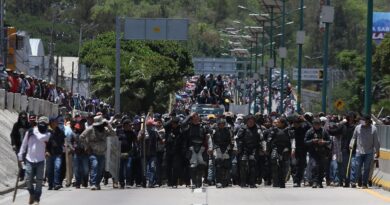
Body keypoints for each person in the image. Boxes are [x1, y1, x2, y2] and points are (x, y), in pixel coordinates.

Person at [18, 116, 51, 205]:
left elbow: (41, 138)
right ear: (38, 124)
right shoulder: (29, 132)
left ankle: (37, 199)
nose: (43, 126)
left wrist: (34, 131)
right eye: (41, 124)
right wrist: (20, 155)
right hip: (29, 159)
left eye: (45, 124)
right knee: (28, 180)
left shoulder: (48, 134)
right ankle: (32, 194)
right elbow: (24, 144)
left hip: (40, 160)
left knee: (39, 181)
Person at [79, 115, 116, 190]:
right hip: (93, 152)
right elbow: (81, 137)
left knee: (100, 169)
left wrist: (108, 125)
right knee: (94, 166)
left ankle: (97, 183)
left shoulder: (105, 130)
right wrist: (87, 146)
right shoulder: (90, 129)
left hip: (102, 153)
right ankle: (93, 183)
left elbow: (113, 134)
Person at [350, 115, 380, 189]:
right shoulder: (358, 127)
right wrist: (351, 145)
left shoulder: (374, 129)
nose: (363, 122)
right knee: (357, 167)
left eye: (364, 121)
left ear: (368, 121)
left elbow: (376, 141)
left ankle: (364, 183)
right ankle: (359, 179)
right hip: (359, 150)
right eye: (362, 120)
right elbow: (354, 137)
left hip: (369, 151)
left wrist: (377, 151)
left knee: (367, 168)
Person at [182, 112, 210, 188]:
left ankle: (199, 180)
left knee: (202, 165)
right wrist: (189, 116)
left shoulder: (203, 126)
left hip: (202, 148)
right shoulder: (188, 126)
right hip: (192, 148)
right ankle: (194, 182)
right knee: (193, 166)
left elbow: (209, 135)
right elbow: (182, 124)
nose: (196, 118)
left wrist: (209, 148)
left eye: (197, 117)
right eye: (194, 117)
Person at [236, 115, 263, 188]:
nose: (251, 122)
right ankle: (243, 182)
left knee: (253, 165)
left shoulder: (258, 128)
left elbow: (261, 139)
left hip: (254, 149)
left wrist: (261, 148)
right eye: (249, 121)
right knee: (243, 164)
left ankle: (252, 183)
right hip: (244, 149)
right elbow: (238, 139)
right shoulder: (242, 128)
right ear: (246, 121)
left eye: (252, 121)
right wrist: (238, 148)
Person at [305, 118, 331, 188]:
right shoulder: (310, 131)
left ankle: (320, 182)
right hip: (313, 152)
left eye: (318, 124)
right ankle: (314, 181)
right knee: (314, 166)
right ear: (313, 124)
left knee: (321, 168)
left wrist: (323, 142)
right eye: (315, 124)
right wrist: (313, 141)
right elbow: (305, 141)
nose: (317, 126)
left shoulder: (324, 131)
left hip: (322, 152)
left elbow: (329, 141)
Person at [268, 117, 293, 188]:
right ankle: (275, 181)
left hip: (285, 149)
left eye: (278, 122)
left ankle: (282, 182)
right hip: (276, 148)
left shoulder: (288, 130)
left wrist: (293, 149)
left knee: (284, 166)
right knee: (274, 162)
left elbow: (292, 139)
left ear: (282, 123)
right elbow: (269, 139)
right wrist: (268, 149)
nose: (276, 123)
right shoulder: (274, 130)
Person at [211, 118, 233, 188]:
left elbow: (231, 140)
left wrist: (230, 148)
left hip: (226, 149)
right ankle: (218, 181)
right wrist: (214, 148)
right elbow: (212, 140)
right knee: (218, 165)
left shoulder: (228, 131)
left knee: (226, 165)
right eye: (220, 124)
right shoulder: (214, 131)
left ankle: (226, 181)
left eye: (223, 124)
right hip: (218, 148)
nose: (221, 125)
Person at [138, 118, 159, 188]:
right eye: (151, 125)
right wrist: (142, 135)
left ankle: (151, 182)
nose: (152, 127)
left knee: (152, 167)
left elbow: (159, 140)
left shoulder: (154, 132)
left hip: (152, 154)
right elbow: (138, 139)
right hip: (144, 154)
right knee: (144, 169)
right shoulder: (142, 132)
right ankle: (144, 181)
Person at [46, 116, 66, 190]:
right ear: (51, 122)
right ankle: (50, 184)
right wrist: (46, 151)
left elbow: (63, 140)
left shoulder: (60, 131)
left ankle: (56, 184)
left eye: (56, 121)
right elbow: (44, 143)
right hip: (49, 153)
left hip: (58, 153)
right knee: (50, 170)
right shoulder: (47, 131)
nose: (56, 123)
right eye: (55, 121)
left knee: (57, 168)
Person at [10, 111, 31, 181]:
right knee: (20, 160)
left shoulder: (29, 125)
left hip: (27, 146)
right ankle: (22, 174)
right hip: (18, 146)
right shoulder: (16, 125)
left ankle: (25, 174)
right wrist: (13, 144)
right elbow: (12, 135)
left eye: (24, 118)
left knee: (26, 161)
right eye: (22, 118)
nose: (23, 120)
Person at [165, 117, 184, 188]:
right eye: (173, 123)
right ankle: (169, 182)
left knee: (176, 167)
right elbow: (165, 125)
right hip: (169, 151)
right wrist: (171, 120)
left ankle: (174, 183)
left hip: (177, 151)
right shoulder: (169, 129)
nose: (174, 125)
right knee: (168, 167)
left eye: (175, 123)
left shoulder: (180, 130)